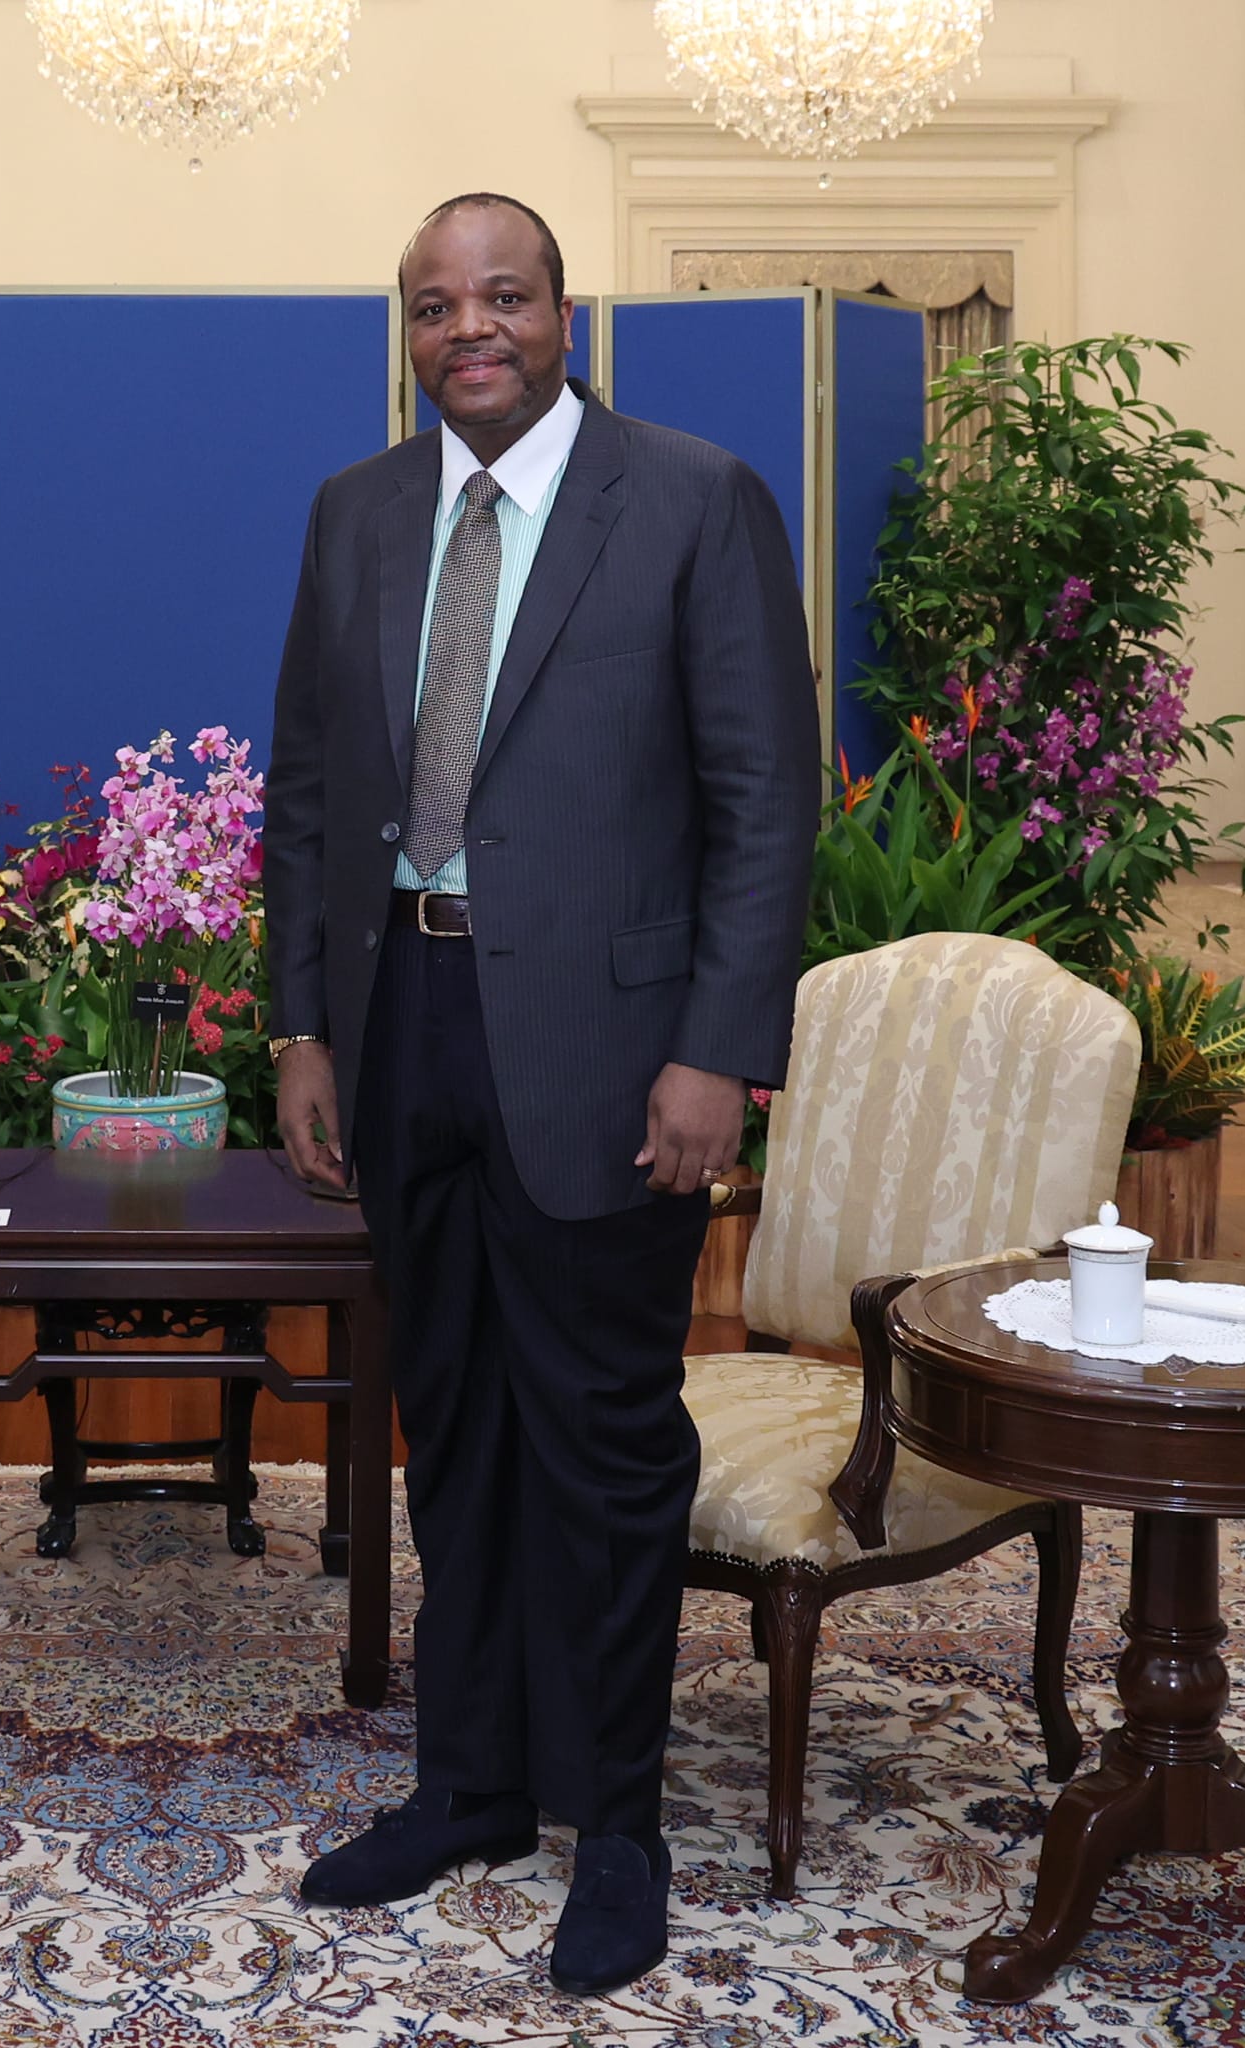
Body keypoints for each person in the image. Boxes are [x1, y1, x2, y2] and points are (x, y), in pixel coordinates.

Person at [262, 192, 817, 1995]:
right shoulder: (356, 513)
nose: (469, 330)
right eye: (435, 306)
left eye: (502, 298)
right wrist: (302, 1030)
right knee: (457, 1424)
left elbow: (762, 801)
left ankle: (622, 1824)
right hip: (402, 1024)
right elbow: (310, 791)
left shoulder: (693, 496)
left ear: (566, 314)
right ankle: (473, 1783)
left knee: (604, 1438)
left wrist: (720, 1050)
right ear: (408, 332)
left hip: (611, 1047)